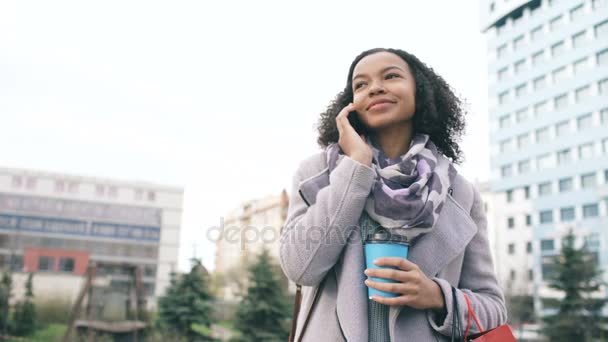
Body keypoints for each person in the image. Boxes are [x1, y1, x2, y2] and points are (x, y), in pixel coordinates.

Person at [279, 48, 507, 342]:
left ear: (420, 91)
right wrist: (356, 168)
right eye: (360, 84)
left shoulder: (460, 193)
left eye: (391, 76)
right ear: (351, 104)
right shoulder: (318, 174)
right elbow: (300, 268)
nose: (375, 87)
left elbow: (493, 307)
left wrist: (437, 295)